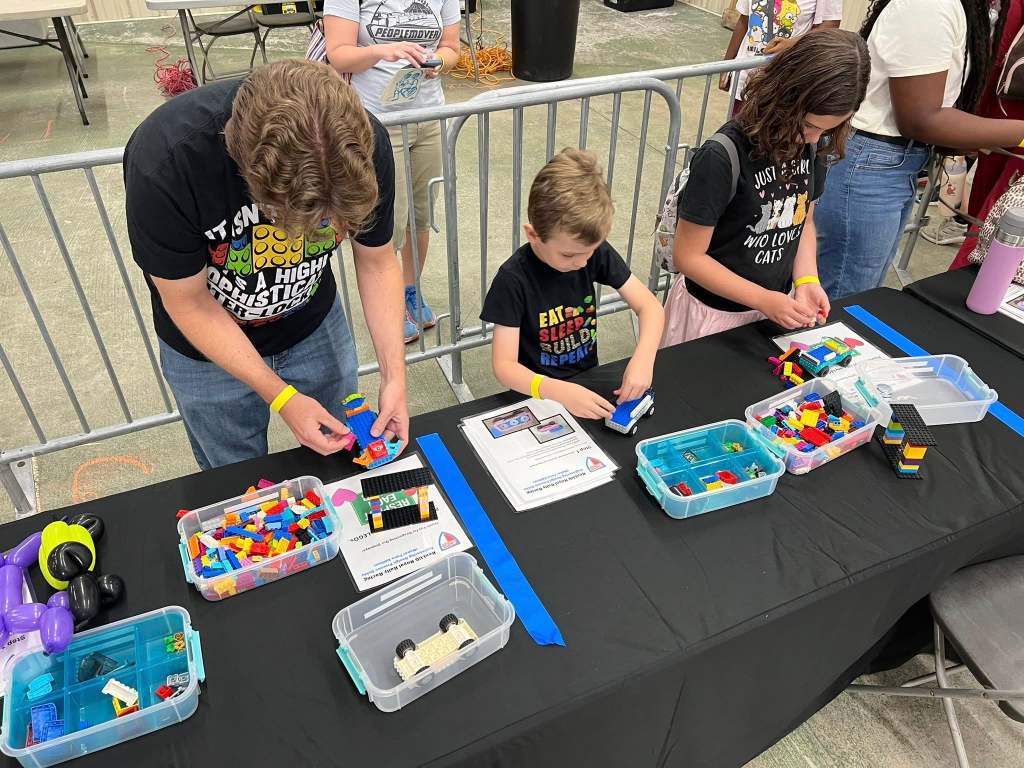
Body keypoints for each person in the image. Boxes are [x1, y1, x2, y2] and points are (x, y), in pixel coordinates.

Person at [124, 59, 409, 470]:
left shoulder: (363, 144)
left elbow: (377, 260)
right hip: (205, 351)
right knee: (235, 477)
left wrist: (394, 376)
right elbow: (188, 301)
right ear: (244, 167)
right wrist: (281, 397)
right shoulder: (167, 160)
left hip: (313, 325)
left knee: (345, 459)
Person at [662, 29, 869, 347]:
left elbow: (804, 222)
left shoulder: (812, 146)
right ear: (784, 95)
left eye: (828, 129)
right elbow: (689, 257)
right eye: (809, 125)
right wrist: (763, 298)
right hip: (710, 316)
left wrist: (807, 279)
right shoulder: (722, 156)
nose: (814, 138)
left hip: (769, 312)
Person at [816, 0, 1024, 299]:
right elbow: (921, 119)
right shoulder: (930, 5)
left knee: (855, 291)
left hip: (892, 162)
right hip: (872, 163)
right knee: (840, 296)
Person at [480, 149, 665, 421]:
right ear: (533, 234)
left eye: (590, 251)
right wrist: (557, 391)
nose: (582, 262)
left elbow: (650, 306)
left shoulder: (591, 252)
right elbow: (504, 366)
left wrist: (643, 360)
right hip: (536, 395)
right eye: (568, 255)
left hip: (586, 381)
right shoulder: (513, 279)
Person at [323, 0, 461, 344]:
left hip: (429, 116)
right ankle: (388, 302)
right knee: (386, 219)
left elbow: (452, 47)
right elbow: (338, 53)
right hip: (376, 121)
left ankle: (410, 290)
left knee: (421, 212)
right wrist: (383, 51)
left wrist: (437, 62)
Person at [950, 0, 1024, 268]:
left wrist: (974, 120)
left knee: (992, 217)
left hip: (1003, 117)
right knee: (995, 214)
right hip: (1006, 121)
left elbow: (996, 57)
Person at [719, 0, 843, 113]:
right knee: (737, 131)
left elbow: (830, 26)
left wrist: (791, 44)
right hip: (746, 74)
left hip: (785, 80)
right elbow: (744, 19)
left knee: (771, 132)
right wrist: (727, 65)